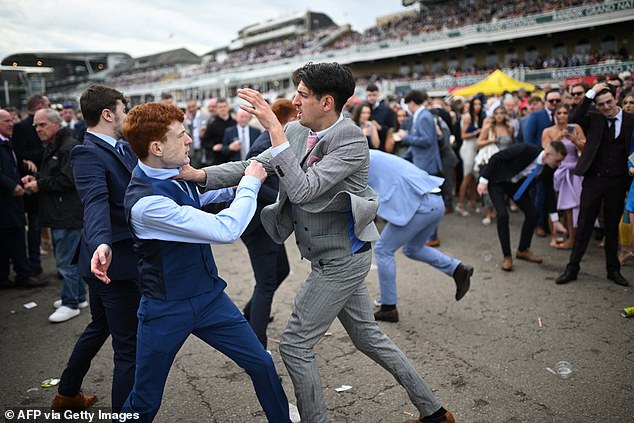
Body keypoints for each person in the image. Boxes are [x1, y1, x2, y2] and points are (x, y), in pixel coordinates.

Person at [181, 62, 455, 423]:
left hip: (342, 261)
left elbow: (304, 191)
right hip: (331, 256)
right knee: (369, 339)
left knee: (294, 346)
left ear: (328, 102)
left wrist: (275, 133)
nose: (294, 101)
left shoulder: (351, 140)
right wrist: (198, 175)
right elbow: (252, 165)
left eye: (303, 95)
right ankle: (434, 413)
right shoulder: (295, 132)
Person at [117, 102, 290, 423]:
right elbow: (225, 230)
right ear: (156, 147)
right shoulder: (146, 203)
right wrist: (251, 182)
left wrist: (230, 188)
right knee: (144, 401)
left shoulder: (173, 170)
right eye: (181, 135)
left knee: (262, 364)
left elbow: (196, 197)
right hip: (166, 309)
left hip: (210, 299)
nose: (188, 141)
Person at [53, 85, 139, 411]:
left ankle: (67, 391)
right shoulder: (86, 152)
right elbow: (95, 202)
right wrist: (102, 242)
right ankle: (125, 417)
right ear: (107, 114)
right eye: (124, 108)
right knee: (128, 346)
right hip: (109, 263)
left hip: (108, 260)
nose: (127, 114)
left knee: (100, 325)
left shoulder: (123, 146)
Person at [370, 150, 473, 323]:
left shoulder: (356, 158)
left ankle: (388, 307)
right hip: (434, 200)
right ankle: (458, 269)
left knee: (383, 249)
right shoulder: (370, 153)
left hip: (420, 205)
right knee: (413, 249)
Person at [555, 83, 634, 286]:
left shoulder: (630, 119)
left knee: (611, 228)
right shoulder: (594, 118)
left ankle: (613, 270)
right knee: (584, 225)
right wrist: (590, 93)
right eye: (601, 104)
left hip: (617, 181)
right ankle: (572, 269)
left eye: (609, 102)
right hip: (593, 179)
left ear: (616, 99)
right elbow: (574, 117)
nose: (606, 107)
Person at [241, 99, 295, 348]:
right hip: (258, 224)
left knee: (282, 270)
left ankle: (250, 314)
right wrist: (285, 198)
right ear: (286, 120)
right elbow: (254, 183)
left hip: (267, 222)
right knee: (267, 283)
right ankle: (257, 346)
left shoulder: (274, 141)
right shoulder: (263, 145)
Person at [23, 109, 84, 323]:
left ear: (56, 124)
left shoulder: (68, 146)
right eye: (36, 126)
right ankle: (78, 296)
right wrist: (37, 178)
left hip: (66, 213)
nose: (38, 129)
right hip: (60, 212)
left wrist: (39, 184)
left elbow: (68, 180)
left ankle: (71, 303)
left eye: (42, 125)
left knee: (66, 261)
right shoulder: (56, 144)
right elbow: (54, 174)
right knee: (70, 258)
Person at [477, 141, 568, 271]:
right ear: (547, 154)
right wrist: (483, 181)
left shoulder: (548, 168)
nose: (559, 165)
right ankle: (507, 256)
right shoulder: (526, 149)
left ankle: (523, 250)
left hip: (516, 187)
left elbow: (549, 192)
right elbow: (496, 158)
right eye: (558, 161)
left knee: (533, 214)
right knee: (502, 215)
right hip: (498, 181)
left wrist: (555, 221)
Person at [0, 109, 46, 289]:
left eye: (11, 120)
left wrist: (20, 179)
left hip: (13, 201)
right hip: (6, 201)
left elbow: (9, 169)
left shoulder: (8, 142)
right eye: (6, 121)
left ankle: (15, 275)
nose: (11, 123)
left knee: (14, 237)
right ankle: (21, 276)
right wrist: (12, 186)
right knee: (11, 240)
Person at [541, 103, 586, 249]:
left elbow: (585, 148)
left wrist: (574, 140)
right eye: (559, 113)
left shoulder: (576, 128)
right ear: (554, 115)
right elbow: (546, 150)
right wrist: (559, 137)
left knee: (572, 206)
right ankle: (555, 236)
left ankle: (572, 238)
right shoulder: (548, 131)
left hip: (574, 171)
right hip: (556, 171)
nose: (562, 116)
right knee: (554, 203)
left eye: (565, 113)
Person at [522, 89, 562, 237]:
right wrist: (540, 158)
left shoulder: (563, 115)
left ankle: (554, 223)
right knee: (541, 193)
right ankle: (539, 224)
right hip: (541, 161)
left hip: (560, 163)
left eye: (557, 100)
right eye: (551, 101)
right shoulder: (536, 116)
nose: (555, 103)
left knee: (554, 194)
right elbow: (529, 140)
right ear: (546, 101)